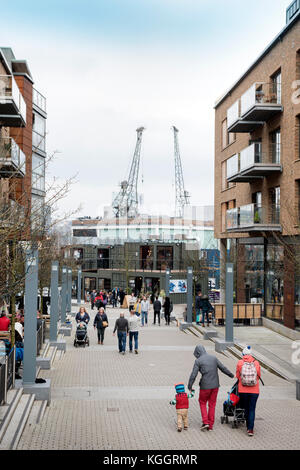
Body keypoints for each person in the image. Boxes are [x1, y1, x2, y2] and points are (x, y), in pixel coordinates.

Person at [188, 345, 234, 431]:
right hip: (215, 386)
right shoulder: (213, 358)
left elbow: (193, 375)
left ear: (197, 353)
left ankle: (205, 422)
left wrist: (189, 386)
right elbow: (223, 368)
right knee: (212, 404)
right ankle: (210, 425)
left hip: (205, 387)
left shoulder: (198, 361)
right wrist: (231, 375)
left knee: (202, 402)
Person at [236, 346, 262, 437]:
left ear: (243, 354)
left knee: (246, 408)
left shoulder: (240, 362)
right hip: (254, 391)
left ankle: (247, 424)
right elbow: (258, 376)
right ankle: (250, 429)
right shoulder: (256, 363)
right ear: (251, 354)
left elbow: (237, 376)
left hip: (243, 390)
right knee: (252, 409)